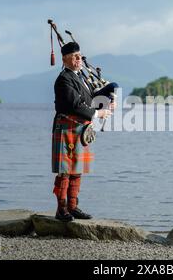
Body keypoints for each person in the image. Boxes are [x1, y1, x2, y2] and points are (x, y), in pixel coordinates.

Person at [51, 41, 113, 221]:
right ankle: (61, 209)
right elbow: (74, 105)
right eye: (75, 57)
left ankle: (73, 206)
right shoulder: (64, 79)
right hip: (67, 126)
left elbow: (90, 99)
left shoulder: (80, 78)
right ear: (65, 59)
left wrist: (107, 101)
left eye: (79, 56)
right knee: (65, 170)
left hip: (81, 128)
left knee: (77, 169)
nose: (79, 59)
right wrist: (98, 113)